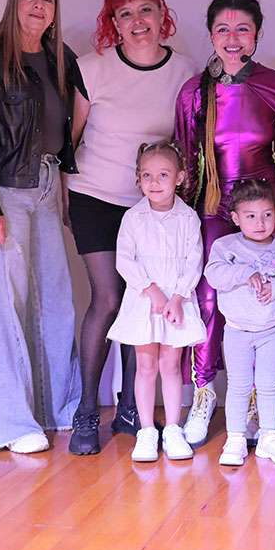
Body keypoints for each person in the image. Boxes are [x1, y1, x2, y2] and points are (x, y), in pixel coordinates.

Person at [68, 0, 203, 455]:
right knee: (108, 298)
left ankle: (131, 409)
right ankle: (87, 410)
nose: (137, 21)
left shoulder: (184, 70)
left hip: (153, 207)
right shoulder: (92, 68)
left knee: (144, 302)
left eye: (145, 10)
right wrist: (64, 199)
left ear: (161, 15)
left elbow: (188, 140)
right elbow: (70, 140)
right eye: (125, 14)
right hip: (95, 197)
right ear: (114, 23)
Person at [0, 0, 82, 453]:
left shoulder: (59, 58)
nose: (38, 6)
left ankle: (59, 410)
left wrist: (65, 185)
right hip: (4, 190)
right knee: (6, 304)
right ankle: (9, 424)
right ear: (14, 2)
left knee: (56, 301)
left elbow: (69, 126)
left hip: (47, 184)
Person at [174, 0, 275, 447]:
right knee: (209, 299)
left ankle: (254, 404)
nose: (232, 38)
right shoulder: (194, 91)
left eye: (242, 29)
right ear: (210, 35)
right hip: (215, 204)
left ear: (257, 34)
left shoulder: (273, 85)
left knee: (260, 299)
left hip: (262, 209)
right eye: (223, 30)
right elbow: (186, 156)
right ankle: (204, 393)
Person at [106, 141, 206, 463]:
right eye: (146, 175)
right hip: (143, 301)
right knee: (146, 366)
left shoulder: (188, 218)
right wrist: (152, 291)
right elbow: (124, 260)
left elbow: (194, 261)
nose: (154, 182)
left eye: (163, 174)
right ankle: (147, 430)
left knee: (170, 366)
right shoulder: (133, 218)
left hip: (177, 303)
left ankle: (173, 429)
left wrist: (176, 298)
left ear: (179, 177)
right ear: (138, 178)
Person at [204, 180, 275, 466]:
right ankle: (235, 439)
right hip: (237, 331)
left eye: (267, 215)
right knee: (238, 386)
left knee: (269, 385)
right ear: (236, 218)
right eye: (250, 216)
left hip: (272, 331)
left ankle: (269, 437)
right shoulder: (226, 247)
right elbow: (214, 275)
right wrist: (243, 273)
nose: (260, 223)